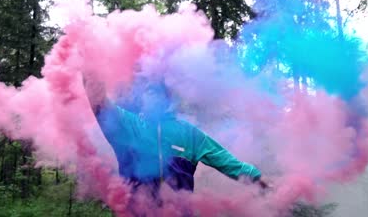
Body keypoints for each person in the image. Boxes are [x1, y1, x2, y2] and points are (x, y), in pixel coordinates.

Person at [93, 82, 270, 194]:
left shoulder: (188, 133)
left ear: (167, 99)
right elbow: (100, 104)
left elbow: (222, 158)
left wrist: (255, 177)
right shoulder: (130, 124)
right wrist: (88, 68)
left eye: (157, 92)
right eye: (148, 91)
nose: (151, 96)